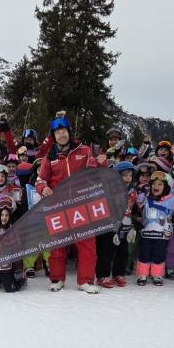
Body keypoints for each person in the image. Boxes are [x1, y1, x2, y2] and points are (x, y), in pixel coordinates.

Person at [35, 113, 99, 293]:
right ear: (54, 136)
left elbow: (95, 172)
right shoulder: (50, 156)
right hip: (59, 207)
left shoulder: (84, 150)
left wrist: (99, 164)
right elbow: (40, 180)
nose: (61, 135)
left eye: (63, 131)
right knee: (57, 245)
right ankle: (57, 279)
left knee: (87, 245)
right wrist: (43, 188)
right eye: (58, 133)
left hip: (82, 205)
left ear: (69, 132)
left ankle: (85, 281)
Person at [96, 161, 135, 288]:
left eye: (130, 175)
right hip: (108, 226)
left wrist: (133, 224)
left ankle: (119, 273)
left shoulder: (132, 192)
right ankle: (102, 275)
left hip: (124, 226)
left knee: (123, 252)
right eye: (125, 175)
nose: (128, 178)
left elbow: (132, 209)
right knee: (106, 251)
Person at [135, 171, 174, 286]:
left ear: (166, 187)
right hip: (146, 232)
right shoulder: (145, 198)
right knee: (144, 253)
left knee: (159, 254)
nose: (156, 186)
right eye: (154, 184)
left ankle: (157, 275)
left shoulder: (171, 199)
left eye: (160, 184)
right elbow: (136, 205)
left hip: (162, 234)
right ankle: (142, 274)